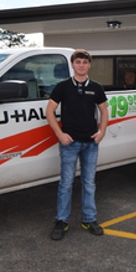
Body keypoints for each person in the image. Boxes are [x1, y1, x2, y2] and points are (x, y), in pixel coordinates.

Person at [46, 49, 108, 241]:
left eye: (85, 62)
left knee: (89, 183)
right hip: (70, 143)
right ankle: (61, 221)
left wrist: (102, 133)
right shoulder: (63, 87)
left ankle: (89, 219)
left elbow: (104, 112)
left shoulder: (96, 88)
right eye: (78, 62)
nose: (81, 65)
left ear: (89, 65)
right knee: (66, 183)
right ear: (72, 65)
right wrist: (60, 134)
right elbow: (49, 111)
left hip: (90, 143)